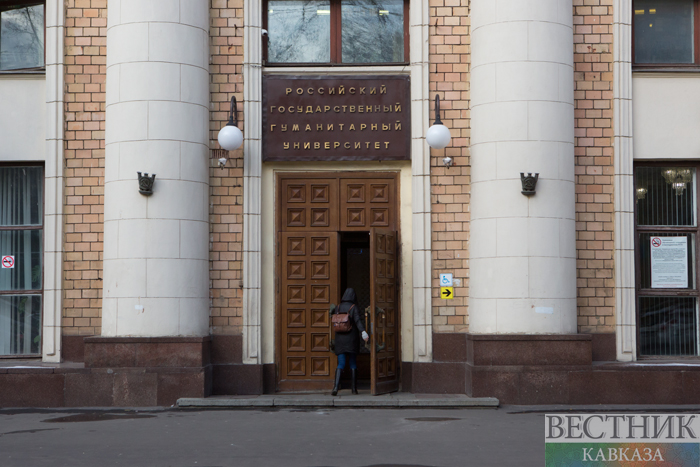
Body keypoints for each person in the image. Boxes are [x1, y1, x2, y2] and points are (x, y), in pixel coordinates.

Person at [331, 288, 369, 395]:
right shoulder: (353, 307)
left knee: (341, 363)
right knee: (352, 362)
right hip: (351, 339)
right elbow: (357, 321)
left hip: (339, 339)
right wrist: (363, 332)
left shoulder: (338, 307)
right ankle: (354, 389)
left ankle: (335, 388)